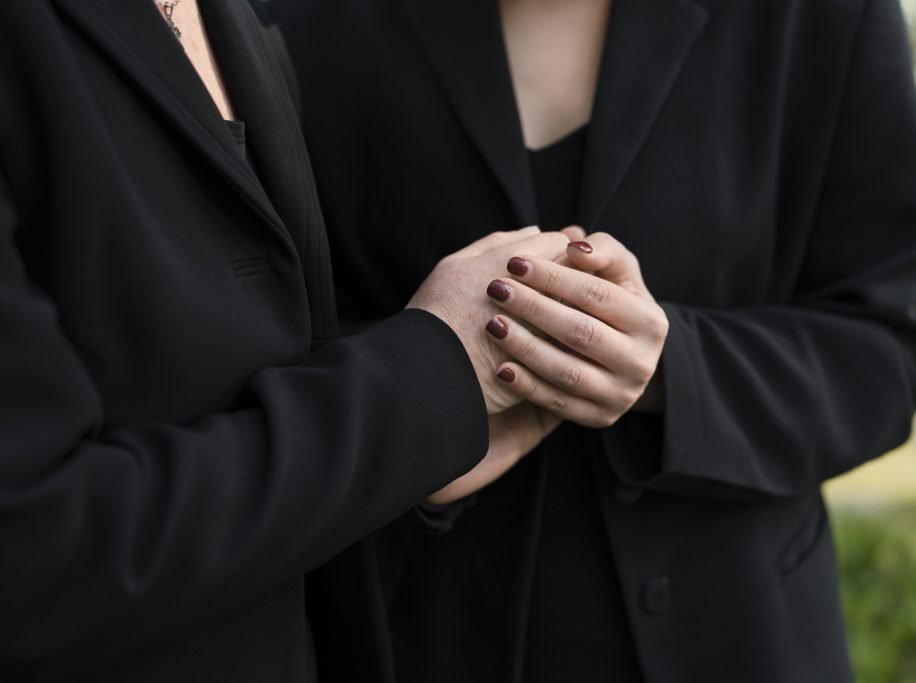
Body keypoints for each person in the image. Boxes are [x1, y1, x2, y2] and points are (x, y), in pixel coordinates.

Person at [279, 0, 916, 680]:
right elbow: (260, 335)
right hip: (419, 630)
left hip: (736, 635)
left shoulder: (816, 18)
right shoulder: (298, 22)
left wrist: (674, 369)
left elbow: (888, 341)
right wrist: (413, 412)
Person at [0, 0, 581, 680]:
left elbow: (226, 380)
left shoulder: (234, 18)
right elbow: (32, 554)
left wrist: (434, 432)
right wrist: (428, 381)